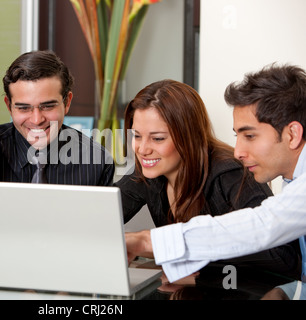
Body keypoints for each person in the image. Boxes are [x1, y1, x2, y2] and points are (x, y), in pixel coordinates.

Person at [125, 63, 306, 287]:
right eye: (137, 135)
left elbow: (262, 227)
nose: (238, 152)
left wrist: (148, 243)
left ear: (293, 134)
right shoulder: (295, 182)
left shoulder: (228, 173)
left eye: (249, 136)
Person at [0, 50, 114, 185]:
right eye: (23, 108)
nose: (36, 120)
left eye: (47, 106)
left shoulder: (97, 161)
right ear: (9, 106)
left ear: (67, 102)